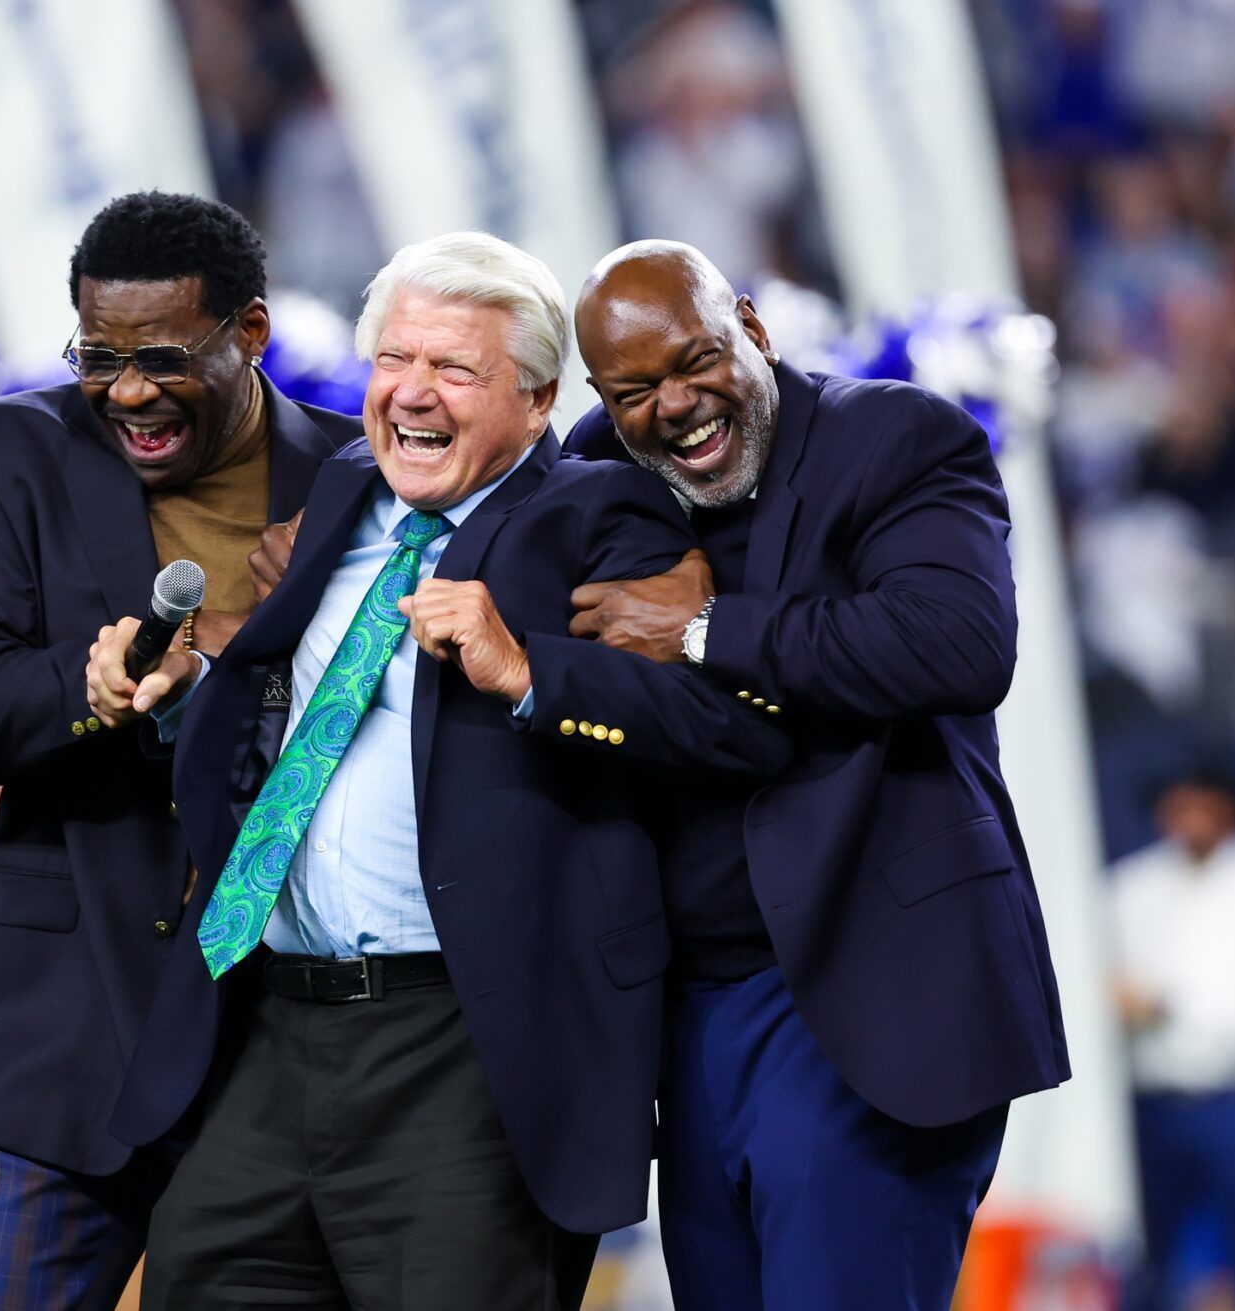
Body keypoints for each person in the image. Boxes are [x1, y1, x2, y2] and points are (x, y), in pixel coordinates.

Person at [97, 232, 792, 1310]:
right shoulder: (343, 492)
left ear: (537, 396)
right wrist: (182, 687)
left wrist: (529, 675)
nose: (411, 393)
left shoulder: (601, 513)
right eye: (395, 360)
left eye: (453, 369)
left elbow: (723, 729)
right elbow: (294, 704)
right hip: (268, 1022)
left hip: (466, 1045)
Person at [562, 239, 1069, 1311]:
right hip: (689, 1019)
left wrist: (706, 630)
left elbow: (959, 644)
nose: (677, 405)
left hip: (866, 996)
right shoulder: (598, 469)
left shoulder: (892, 435)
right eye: (635, 390)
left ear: (751, 326)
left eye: (697, 359)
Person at [0, 190, 359, 1310]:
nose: (130, 392)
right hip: (51, 1041)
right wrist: (86, 686)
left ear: (249, 333)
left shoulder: (357, 482)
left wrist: (257, 656)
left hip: (276, 1046)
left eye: (162, 356)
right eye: (98, 356)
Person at [1111, 769, 1235, 1311]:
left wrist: (1167, 1008)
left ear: (1229, 809)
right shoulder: (1129, 887)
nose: (1189, 820)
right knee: (1143, 1252)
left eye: (1202, 807)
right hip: (1151, 1100)